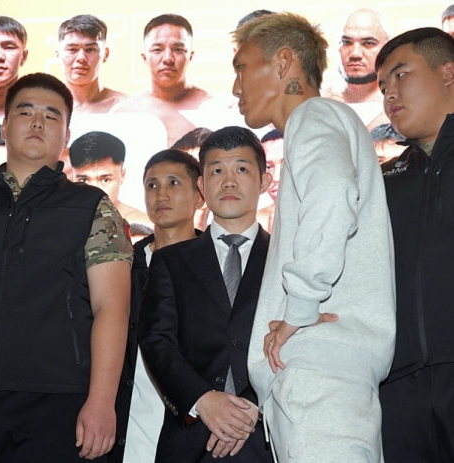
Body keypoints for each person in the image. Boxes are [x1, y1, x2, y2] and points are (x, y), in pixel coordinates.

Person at [0, 73, 133, 462]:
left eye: (51, 115)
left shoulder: (91, 206)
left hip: (60, 402)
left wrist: (101, 401)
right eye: (25, 111)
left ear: (67, 135)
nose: (37, 122)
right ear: (4, 126)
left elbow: (112, 308)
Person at [233, 13, 396, 462]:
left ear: (283, 63)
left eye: (242, 68)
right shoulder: (329, 122)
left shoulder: (314, 114)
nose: (235, 87)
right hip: (325, 377)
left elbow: (331, 195)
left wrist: (300, 309)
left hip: (318, 375)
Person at [138, 126, 274, 463]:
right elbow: (156, 340)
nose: (228, 182)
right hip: (191, 438)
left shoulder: (287, 259)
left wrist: (251, 410)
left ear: (264, 182)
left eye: (241, 169)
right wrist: (203, 399)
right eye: (216, 171)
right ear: (201, 185)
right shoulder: (171, 261)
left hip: (266, 437)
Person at [376, 27, 454, 463]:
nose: (389, 93)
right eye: (382, 86)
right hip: (399, 389)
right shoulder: (381, 181)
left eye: (401, 75)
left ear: (448, 73)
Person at [111, 148, 203, 463]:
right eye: (152, 185)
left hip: (191, 428)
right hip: (126, 426)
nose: (161, 194)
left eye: (173, 183)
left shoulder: (217, 267)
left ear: (199, 195)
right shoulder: (123, 265)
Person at [112, 14, 212, 147]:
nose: (168, 59)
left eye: (178, 49)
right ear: (144, 57)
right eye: (157, 49)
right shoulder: (123, 113)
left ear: (190, 56)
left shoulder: (211, 109)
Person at [324, 9, 391, 130]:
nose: (355, 54)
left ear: (388, 49)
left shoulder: (403, 107)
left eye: (368, 43)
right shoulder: (318, 102)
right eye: (346, 42)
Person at [69, 131, 150, 229]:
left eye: (105, 180)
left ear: (122, 176)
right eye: (83, 180)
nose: (94, 191)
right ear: (72, 178)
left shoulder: (140, 226)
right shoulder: (61, 221)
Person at [57, 14, 127, 114]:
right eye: (72, 49)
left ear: (105, 54)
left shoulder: (125, 107)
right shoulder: (43, 107)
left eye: (90, 49)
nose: (81, 58)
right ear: (58, 55)